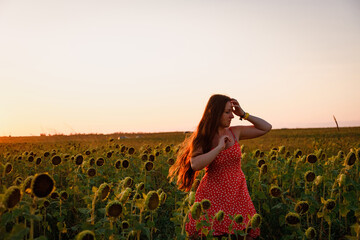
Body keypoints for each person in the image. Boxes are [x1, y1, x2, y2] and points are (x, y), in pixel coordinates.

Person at [168, 94, 272, 239]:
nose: (232, 116)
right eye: (227, 112)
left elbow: (266, 127)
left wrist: (243, 114)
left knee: (243, 233)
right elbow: (195, 164)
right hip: (213, 197)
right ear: (215, 113)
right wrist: (218, 148)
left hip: (238, 194)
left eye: (232, 111)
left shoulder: (235, 132)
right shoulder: (203, 136)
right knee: (214, 234)